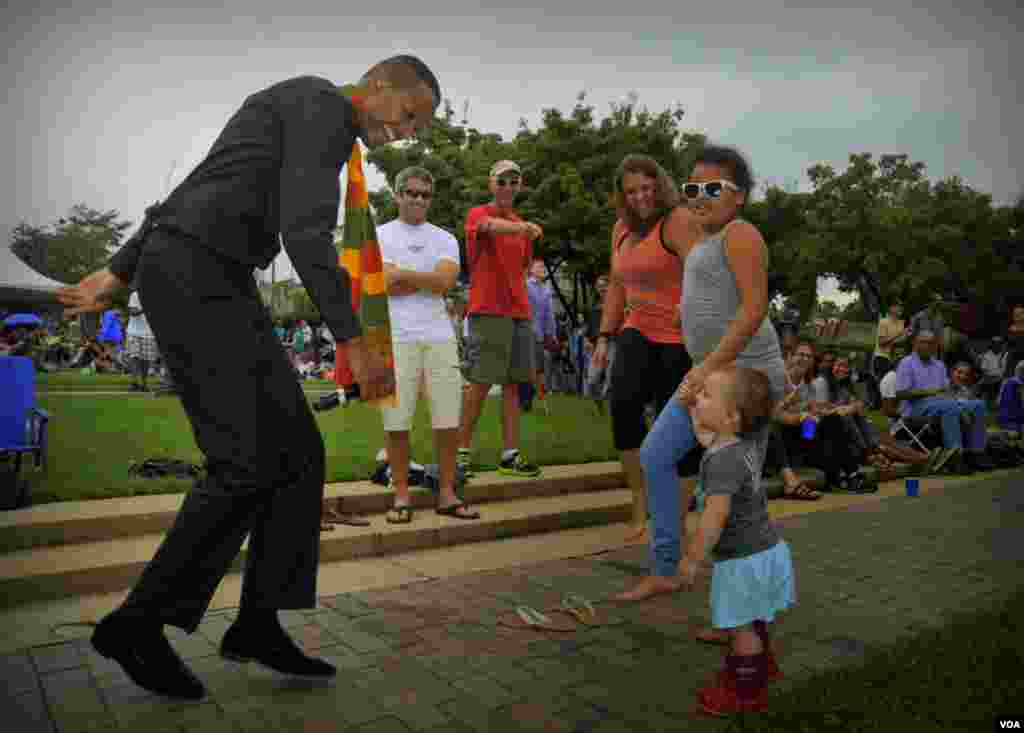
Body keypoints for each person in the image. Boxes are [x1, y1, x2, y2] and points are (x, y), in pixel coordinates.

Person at [57, 55, 440, 701]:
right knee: (244, 461)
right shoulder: (322, 109)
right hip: (193, 275)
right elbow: (306, 234)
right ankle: (136, 623)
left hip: (211, 274)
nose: (408, 133)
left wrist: (119, 271)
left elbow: (190, 189)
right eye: (409, 116)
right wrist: (355, 341)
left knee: (295, 452)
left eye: (418, 127)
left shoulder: (302, 108)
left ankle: (259, 621)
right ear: (376, 89)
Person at [614, 145, 787, 605]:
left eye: (714, 188)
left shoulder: (741, 233)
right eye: (693, 188)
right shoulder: (704, 240)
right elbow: (712, 299)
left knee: (735, 493)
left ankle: (751, 613)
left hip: (745, 375)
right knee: (654, 455)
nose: (700, 196)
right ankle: (666, 568)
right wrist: (684, 321)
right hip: (709, 372)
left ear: (741, 196)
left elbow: (754, 309)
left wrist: (707, 366)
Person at [590, 154, 699, 544]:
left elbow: (703, 271)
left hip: (679, 337)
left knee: (681, 426)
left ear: (660, 185)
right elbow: (617, 285)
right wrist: (604, 336)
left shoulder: (679, 221)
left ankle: (677, 517)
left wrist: (690, 308)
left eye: (646, 188)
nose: (640, 197)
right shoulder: (621, 229)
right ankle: (641, 504)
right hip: (637, 329)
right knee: (623, 408)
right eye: (631, 191)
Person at [680, 366, 794, 715]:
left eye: (707, 395)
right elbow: (705, 436)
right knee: (754, 616)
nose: (700, 397)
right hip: (766, 549)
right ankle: (763, 665)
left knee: (741, 627)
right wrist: (692, 407)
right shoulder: (736, 444)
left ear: (731, 416)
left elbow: (715, 516)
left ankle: (746, 692)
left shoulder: (722, 462)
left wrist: (694, 557)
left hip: (744, 559)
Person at [378, 165, 479, 523]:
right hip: (396, 337)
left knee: (448, 419)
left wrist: (404, 275)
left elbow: (445, 283)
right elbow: (385, 283)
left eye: (425, 194)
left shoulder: (445, 238)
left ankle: (447, 494)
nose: (419, 199)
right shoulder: (381, 235)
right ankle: (401, 496)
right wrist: (427, 279)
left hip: (438, 335)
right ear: (398, 195)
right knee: (397, 422)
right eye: (412, 193)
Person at [457, 160, 545, 478]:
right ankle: (460, 453)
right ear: (491, 184)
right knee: (479, 383)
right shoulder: (479, 214)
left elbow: (521, 269)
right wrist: (523, 228)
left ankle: (509, 454)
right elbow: (489, 228)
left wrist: (522, 228)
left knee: (513, 385)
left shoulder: (521, 226)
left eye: (514, 181)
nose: (508, 187)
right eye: (502, 180)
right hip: (487, 310)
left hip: (519, 312)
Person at [894, 331, 993, 474]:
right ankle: (955, 457)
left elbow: (946, 391)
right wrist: (930, 392)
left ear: (935, 346)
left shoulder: (939, 365)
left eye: (931, 343)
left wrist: (961, 402)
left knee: (977, 404)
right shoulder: (907, 363)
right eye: (923, 342)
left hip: (940, 404)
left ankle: (976, 453)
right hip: (915, 409)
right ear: (915, 344)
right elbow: (901, 393)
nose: (927, 346)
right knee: (950, 406)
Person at [521, 258, 559, 413]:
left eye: (544, 266)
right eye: (539, 266)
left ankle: (526, 399)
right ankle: (525, 401)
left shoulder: (546, 289)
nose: (543, 268)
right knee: (531, 367)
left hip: (540, 334)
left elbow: (549, 315)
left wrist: (552, 334)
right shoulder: (526, 286)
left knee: (536, 368)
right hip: (527, 331)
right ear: (531, 270)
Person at [125, 289, 159, 391]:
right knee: (134, 356)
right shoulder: (135, 295)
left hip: (148, 332)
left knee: (145, 360)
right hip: (134, 332)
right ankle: (134, 382)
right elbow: (132, 312)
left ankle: (144, 383)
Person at [908, 295, 947, 361]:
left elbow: (940, 338)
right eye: (937, 303)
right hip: (919, 352)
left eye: (940, 303)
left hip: (933, 353)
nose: (938, 305)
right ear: (930, 303)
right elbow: (910, 334)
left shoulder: (940, 319)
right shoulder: (918, 317)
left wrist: (941, 357)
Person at [997, 362, 1024, 436]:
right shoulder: (1018, 384)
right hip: (1014, 422)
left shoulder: (1006, 382)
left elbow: (998, 402)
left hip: (1004, 421)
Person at [977, 336, 1008, 404]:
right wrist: (994, 378)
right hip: (990, 379)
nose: (998, 346)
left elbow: (1005, 370)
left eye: (1000, 344)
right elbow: (984, 371)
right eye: (996, 344)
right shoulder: (986, 356)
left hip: (1001, 379)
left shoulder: (1004, 355)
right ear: (992, 345)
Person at [1004, 304, 1024, 379]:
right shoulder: (1009, 329)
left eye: (1020, 313)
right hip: (1013, 361)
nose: (1017, 315)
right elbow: (1006, 346)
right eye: (1015, 314)